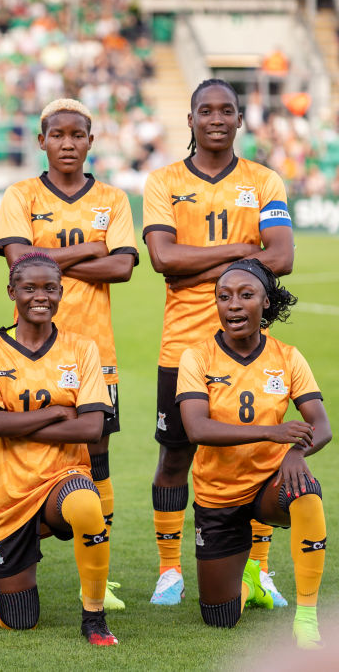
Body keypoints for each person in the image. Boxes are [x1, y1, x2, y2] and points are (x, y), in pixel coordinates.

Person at [142, 78, 295, 606]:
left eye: (225, 110)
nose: (215, 118)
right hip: (183, 347)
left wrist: (197, 266)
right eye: (204, 110)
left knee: (254, 454)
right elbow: (163, 259)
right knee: (175, 457)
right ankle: (168, 569)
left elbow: (283, 256)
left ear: (238, 119)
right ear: (189, 120)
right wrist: (240, 254)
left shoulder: (265, 181)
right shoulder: (162, 181)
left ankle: (258, 570)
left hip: (248, 346)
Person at [0, 99, 137, 610]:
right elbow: (18, 262)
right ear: (42, 141)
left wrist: (47, 260)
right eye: (58, 135)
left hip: (95, 354)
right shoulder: (21, 194)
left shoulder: (114, 198)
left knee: (97, 460)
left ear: (91, 142)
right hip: (28, 353)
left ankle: (98, 581)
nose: (68, 143)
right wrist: (89, 250)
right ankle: (9, 547)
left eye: (79, 135)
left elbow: (122, 267)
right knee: (17, 448)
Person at [0, 252, 117, 646]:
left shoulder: (81, 348)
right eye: (29, 288)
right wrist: (56, 413)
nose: (40, 296)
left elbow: (92, 427)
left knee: (87, 504)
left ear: (61, 293)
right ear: (12, 291)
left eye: (50, 288)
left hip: (63, 479)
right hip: (8, 495)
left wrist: (15, 424)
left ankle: (94, 617)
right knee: (19, 621)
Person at [176, 259, 329, 649]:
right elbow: (197, 429)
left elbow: (322, 425)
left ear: (266, 303)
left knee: (306, 489)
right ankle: (250, 583)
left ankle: (306, 619)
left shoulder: (287, 356)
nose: (234, 305)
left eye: (246, 296)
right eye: (224, 297)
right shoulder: (196, 358)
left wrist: (295, 453)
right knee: (219, 618)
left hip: (267, 485)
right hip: (217, 496)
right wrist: (272, 432)